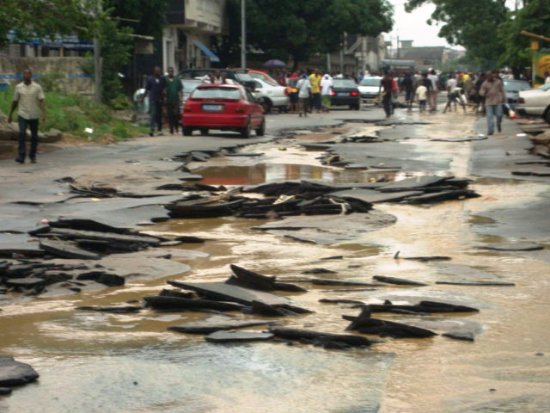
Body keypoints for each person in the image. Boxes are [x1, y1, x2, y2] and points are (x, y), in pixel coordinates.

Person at [8, 69, 45, 164]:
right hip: (22, 114)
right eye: (25, 74)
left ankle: (32, 156)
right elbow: (15, 101)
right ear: (23, 75)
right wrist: (10, 114)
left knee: (34, 137)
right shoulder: (19, 87)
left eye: (28, 74)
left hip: (34, 114)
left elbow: (41, 101)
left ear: (31, 75)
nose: (26, 75)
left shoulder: (37, 87)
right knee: (21, 134)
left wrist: (43, 114)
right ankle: (21, 156)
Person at [479, 70, 505, 135]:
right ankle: (490, 131)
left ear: (492, 75)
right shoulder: (484, 83)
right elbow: (481, 91)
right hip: (489, 102)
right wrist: (483, 93)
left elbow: (502, 90)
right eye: (487, 76)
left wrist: (504, 98)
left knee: (499, 115)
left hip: (497, 101)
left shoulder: (498, 82)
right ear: (486, 77)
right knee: (489, 117)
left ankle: (498, 124)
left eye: (490, 75)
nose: (489, 77)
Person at [143, 66, 166, 136]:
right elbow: (147, 89)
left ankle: (159, 130)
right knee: (153, 114)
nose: (158, 72)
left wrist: (164, 98)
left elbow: (164, 88)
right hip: (153, 99)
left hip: (160, 99)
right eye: (157, 71)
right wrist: (143, 97)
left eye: (159, 71)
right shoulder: (150, 79)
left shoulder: (162, 79)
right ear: (154, 72)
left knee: (159, 115)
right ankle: (151, 130)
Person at [164, 67, 183, 135]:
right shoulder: (165, 79)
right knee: (170, 115)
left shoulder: (177, 79)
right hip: (168, 100)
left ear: (173, 72)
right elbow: (163, 88)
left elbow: (180, 89)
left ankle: (176, 127)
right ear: (168, 72)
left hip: (176, 100)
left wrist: (181, 99)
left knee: (176, 115)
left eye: (172, 71)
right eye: (169, 71)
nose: (170, 73)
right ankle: (171, 129)